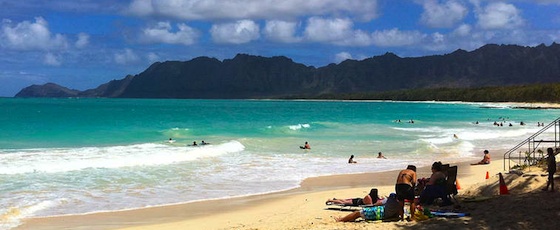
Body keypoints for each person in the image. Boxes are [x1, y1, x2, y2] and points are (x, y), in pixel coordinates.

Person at [335, 193, 400, 222]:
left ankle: (341, 220)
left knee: (358, 213)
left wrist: (384, 201)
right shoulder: (400, 203)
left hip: (381, 213)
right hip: (387, 215)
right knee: (359, 213)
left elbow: (376, 204)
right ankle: (348, 218)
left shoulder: (391, 198)